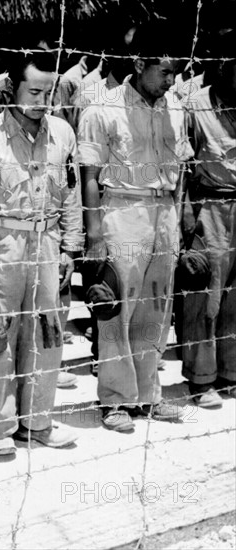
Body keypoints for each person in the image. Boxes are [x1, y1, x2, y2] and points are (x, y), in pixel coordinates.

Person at [0, 53, 83, 457]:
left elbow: (71, 192)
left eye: (49, 92)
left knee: (48, 334)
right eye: (34, 91)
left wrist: (71, 247)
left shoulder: (63, 134)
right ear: (13, 88)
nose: (42, 101)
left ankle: (37, 422)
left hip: (48, 242)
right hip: (3, 243)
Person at [78, 23, 194, 432]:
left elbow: (181, 173)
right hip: (122, 212)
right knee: (117, 309)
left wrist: (178, 223)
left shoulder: (176, 108)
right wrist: (94, 236)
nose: (170, 80)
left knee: (157, 309)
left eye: (175, 73)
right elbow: (89, 175)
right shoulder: (102, 109)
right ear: (140, 64)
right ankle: (115, 399)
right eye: (163, 71)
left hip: (164, 215)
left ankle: (148, 395)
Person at [180, 29, 236, 408]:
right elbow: (180, 165)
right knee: (205, 294)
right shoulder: (194, 107)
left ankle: (232, 370)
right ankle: (202, 378)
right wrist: (184, 212)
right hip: (208, 208)